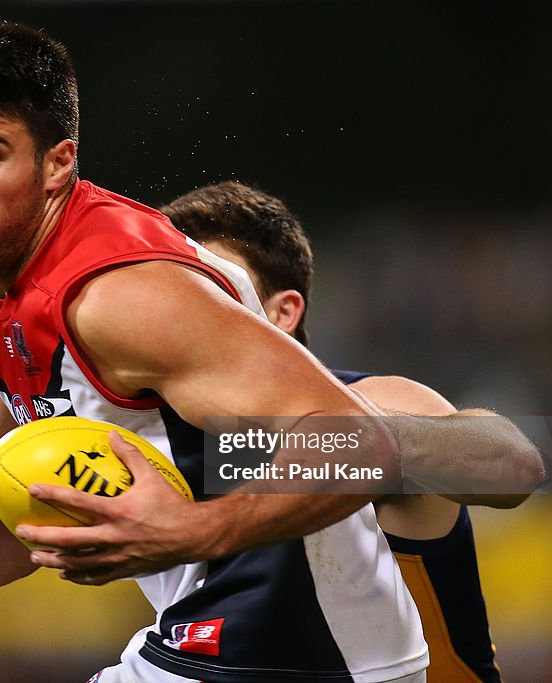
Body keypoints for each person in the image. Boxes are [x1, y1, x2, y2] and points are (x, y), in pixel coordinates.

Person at [0, 22, 541, 683]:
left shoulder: (129, 300)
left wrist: (199, 528)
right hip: (204, 646)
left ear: (58, 165)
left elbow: (368, 443)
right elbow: (2, 520)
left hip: (307, 664)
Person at [158, 180, 512, 682]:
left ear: (283, 313)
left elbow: (508, 461)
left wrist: (367, 447)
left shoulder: (366, 402)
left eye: (212, 291)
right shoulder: (164, 436)